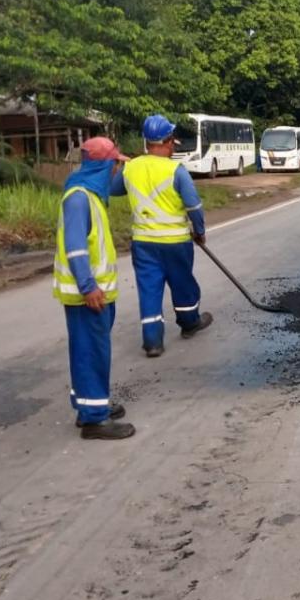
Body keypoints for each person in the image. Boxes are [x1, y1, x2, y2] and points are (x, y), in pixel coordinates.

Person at [54, 137, 135, 440]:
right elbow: (75, 249)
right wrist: (88, 287)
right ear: (104, 165)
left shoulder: (90, 193)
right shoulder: (78, 199)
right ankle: (94, 420)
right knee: (91, 353)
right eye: (115, 164)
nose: (117, 170)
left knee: (89, 351)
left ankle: (90, 404)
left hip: (95, 293)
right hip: (86, 295)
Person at [114, 114, 213, 358]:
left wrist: (122, 165)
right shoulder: (176, 170)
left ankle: (152, 342)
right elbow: (194, 207)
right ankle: (190, 322)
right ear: (168, 141)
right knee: (182, 284)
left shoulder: (131, 168)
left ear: (146, 142)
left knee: (149, 289)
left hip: (144, 243)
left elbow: (113, 189)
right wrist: (199, 232)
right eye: (172, 142)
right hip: (175, 243)